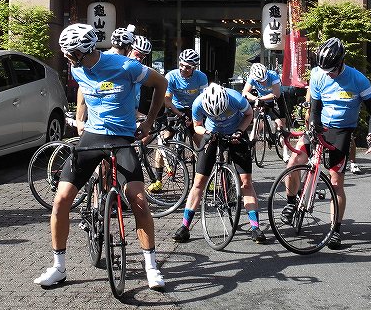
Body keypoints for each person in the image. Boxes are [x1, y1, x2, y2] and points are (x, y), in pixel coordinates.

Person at [34, 24, 168, 290]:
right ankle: (58, 267)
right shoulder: (77, 67)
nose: (67, 57)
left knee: (139, 202)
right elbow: (83, 87)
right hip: (92, 137)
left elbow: (160, 83)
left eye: (70, 52)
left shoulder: (125, 66)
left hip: (121, 137)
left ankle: (151, 266)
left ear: (85, 50)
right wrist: (81, 119)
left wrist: (149, 121)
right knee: (60, 200)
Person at [304, 37, 371, 249]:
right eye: (324, 70)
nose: (328, 74)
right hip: (321, 125)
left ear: (341, 63)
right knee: (295, 159)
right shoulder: (319, 74)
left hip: (341, 130)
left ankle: (335, 229)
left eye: (331, 71)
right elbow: (315, 106)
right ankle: (292, 202)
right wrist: (313, 125)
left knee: (336, 182)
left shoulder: (357, 79)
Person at [173, 83, 267, 244]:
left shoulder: (236, 98)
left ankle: (255, 227)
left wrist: (239, 131)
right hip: (212, 134)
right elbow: (197, 127)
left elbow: (249, 115)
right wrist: (208, 133)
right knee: (199, 183)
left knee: (246, 183)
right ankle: (184, 227)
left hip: (236, 133)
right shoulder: (198, 103)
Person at [241, 62, 290, 160]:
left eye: (264, 79)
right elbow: (245, 92)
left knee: (281, 124)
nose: (263, 82)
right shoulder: (252, 78)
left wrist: (260, 99)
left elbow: (276, 94)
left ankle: (285, 152)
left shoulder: (273, 75)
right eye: (260, 81)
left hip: (276, 99)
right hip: (261, 99)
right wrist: (255, 99)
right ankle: (250, 150)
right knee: (256, 123)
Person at [164, 49, 208, 148]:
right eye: (181, 65)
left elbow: (204, 100)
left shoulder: (201, 77)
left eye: (188, 67)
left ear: (195, 68)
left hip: (193, 109)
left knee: (202, 144)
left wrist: (195, 117)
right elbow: (167, 101)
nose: (183, 69)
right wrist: (180, 115)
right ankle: (161, 160)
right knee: (165, 140)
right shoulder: (171, 76)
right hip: (175, 108)